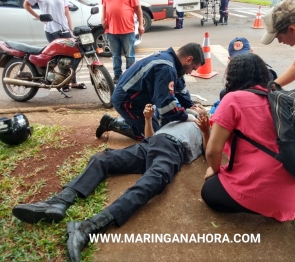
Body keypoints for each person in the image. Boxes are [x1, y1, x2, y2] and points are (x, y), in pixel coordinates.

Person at [12, 104, 208, 262]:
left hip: (174, 150)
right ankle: (60, 201)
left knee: (154, 180)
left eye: (200, 107)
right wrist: (148, 119)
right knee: (103, 158)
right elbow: (149, 137)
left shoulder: (205, 126)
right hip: (151, 144)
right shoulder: (178, 117)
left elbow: (209, 153)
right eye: (195, 105)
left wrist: (206, 130)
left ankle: (88, 227)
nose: (196, 107)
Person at [201, 53, 295, 222]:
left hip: (270, 194)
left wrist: (215, 170)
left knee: (209, 191)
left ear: (232, 77)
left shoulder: (233, 99)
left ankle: (264, 204)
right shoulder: (284, 99)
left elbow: (213, 151)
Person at [95, 42, 205, 140]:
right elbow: (166, 108)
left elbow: (180, 90)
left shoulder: (171, 61)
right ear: (189, 59)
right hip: (126, 102)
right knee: (153, 136)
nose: (191, 72)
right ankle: (111, 123)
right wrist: (187, 116)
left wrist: (191, 107)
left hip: (136, 97)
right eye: (193, 68)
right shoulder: (166, 69)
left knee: (159, 125)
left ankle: (135, 122)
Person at [23, 0, 87, 92]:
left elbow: (67, 12)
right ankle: (64, 83)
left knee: (72, 55)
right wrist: (39, 17)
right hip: (51, 30)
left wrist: (71, 29)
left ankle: (73, 82)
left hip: (64, 29)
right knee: (61, 57)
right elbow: (26, 5)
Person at [209, 37, 277, 116]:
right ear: (229, 59)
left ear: (251, 52)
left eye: (244, 56)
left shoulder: (267, 73)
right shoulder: (228, 91)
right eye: (237, 59)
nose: (242, 61)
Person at [101, 0, 144, 84]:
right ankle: (117, 75)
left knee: (129, 55)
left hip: (127, 31)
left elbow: (138, 8)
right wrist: (102, 19)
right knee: (115, 56)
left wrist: (141, 25)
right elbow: (104, 6)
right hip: (111, 31)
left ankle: (130, 75)